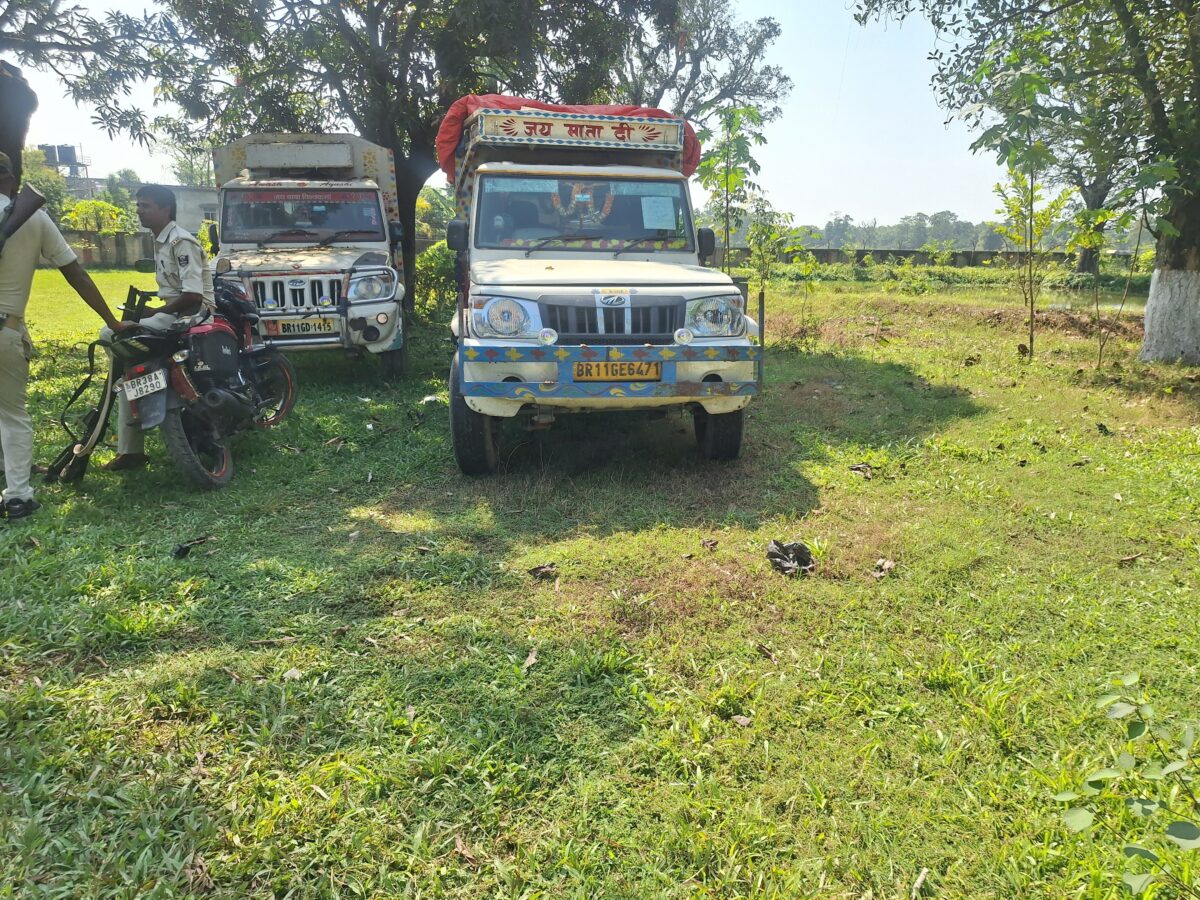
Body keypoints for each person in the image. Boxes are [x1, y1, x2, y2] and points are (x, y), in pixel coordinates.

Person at [0, 151, 127, 522]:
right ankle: (18, 497)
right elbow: (76, 274)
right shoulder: (33, 218)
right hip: (5, 329)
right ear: (11, 179)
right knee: (12, 416)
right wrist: (112, 321)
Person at [102, 185, 215, 471]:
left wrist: (155, 311)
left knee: (111, 336)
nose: (139, 210)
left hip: (192, 315)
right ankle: (130, 449)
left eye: (146, 206)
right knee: (128, 371)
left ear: (165, 209)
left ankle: (131, 449)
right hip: (173, 313)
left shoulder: (180, 242)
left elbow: (193, 296)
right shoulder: (161, 241)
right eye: (138, 205)